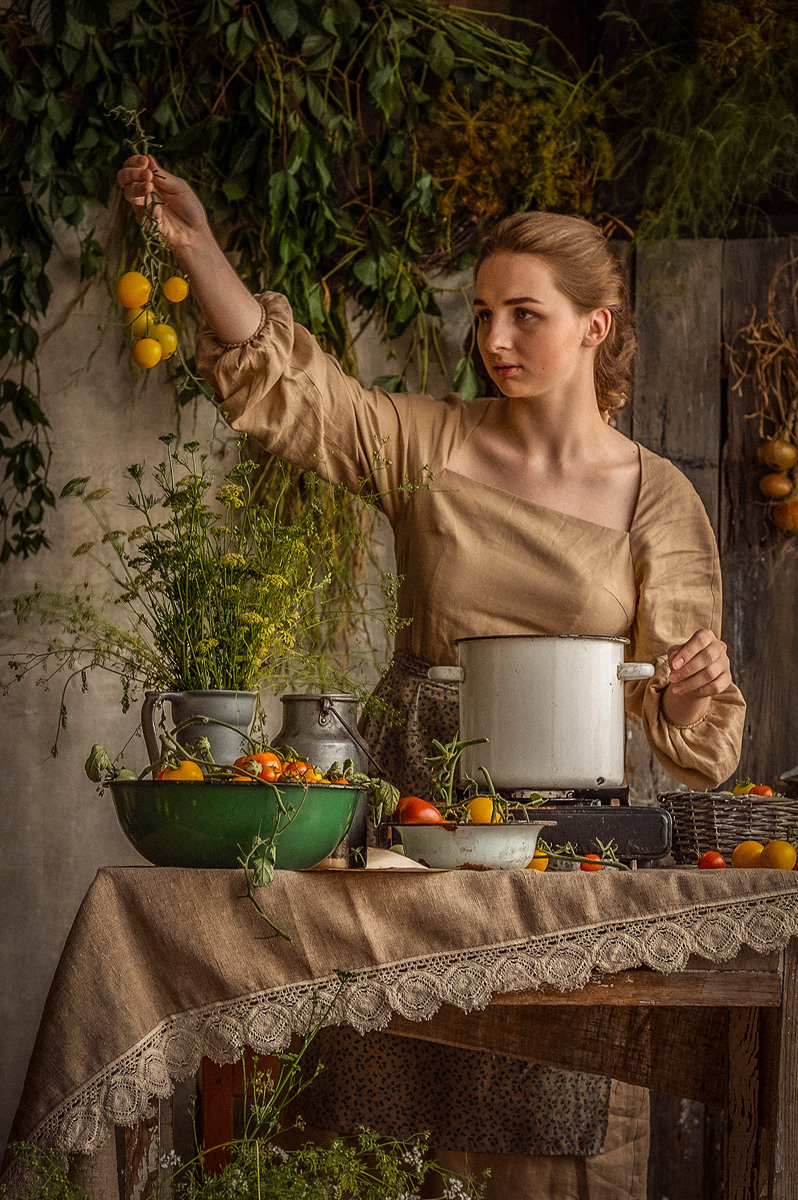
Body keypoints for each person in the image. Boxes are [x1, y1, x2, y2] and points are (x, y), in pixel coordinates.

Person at [117, 155, 745, 1198]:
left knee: (549, 1092)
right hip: (405, 817)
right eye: (484, 313)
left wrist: (682, 693)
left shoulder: (658, 497)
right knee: (376, 1094)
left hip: (557, 836)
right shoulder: (427, 440)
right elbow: (298, 396)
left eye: (526, 315)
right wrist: (193, 246)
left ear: (596, 325)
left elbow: (697, 724)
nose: (494, 340)